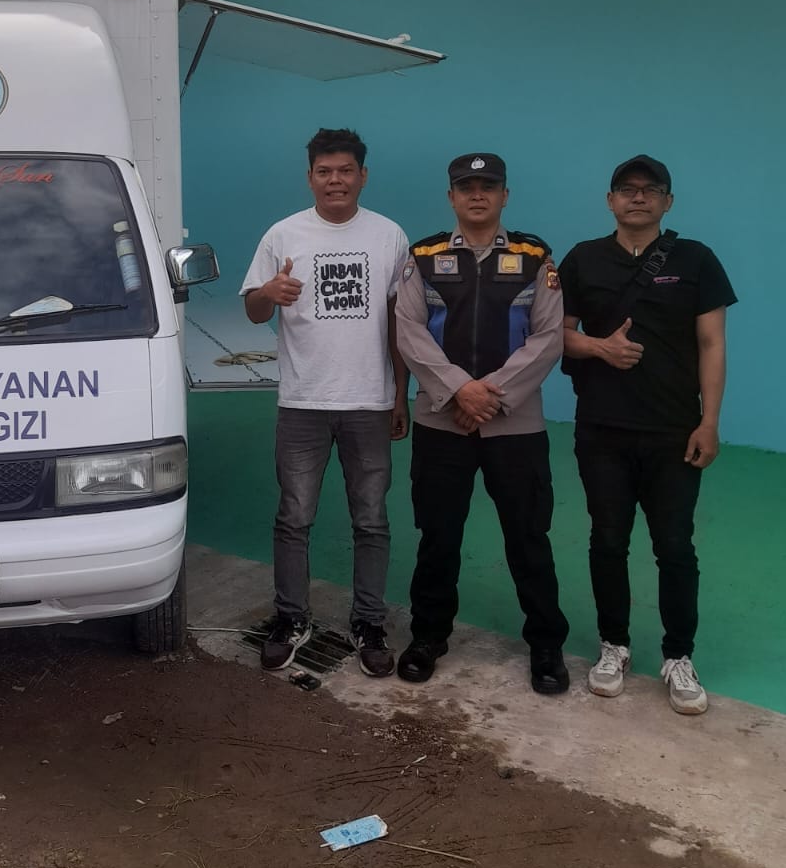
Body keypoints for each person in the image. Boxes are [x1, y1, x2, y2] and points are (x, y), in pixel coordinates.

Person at [558, 155, 736, 715]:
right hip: (602, 429)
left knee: (675, 546)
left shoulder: (696, 260)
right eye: (627, 189)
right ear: (610, 200)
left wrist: (709, 421)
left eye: (650, 189)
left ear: (668, 202)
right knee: (608, 540)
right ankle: (613, 646)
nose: (638, 197)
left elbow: (712, 343)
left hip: (673, 430)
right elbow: (556, 334)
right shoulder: (583, 259)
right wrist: (600, 348)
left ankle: (679, 656)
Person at [394, 153, 569, 694]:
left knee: (528, 536)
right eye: (466, 186)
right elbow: (407, 330)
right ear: (451, 196)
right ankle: (428, 636)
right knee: (438, 536)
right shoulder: (423, 257)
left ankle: (546, 645)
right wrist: (458, 390)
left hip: (514, 425)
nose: (477, 194)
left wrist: (489, 396)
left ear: (504, 196)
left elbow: (548, 337)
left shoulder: (534, 257)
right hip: (442, 421)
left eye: (488, 186)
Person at [241, 128, 410, 678]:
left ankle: (369, 623)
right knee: (293, 517)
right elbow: (253, 312)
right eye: (324, 172)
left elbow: (401, 325)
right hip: (302, 403)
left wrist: (400, 394)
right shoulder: (282, 234)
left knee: (372, 521)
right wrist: (269, 294)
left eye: (345, 171)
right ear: (310, 177)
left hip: (370, 402)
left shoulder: (389, 236)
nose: (335, 181)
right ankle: (291, 618)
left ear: (363, 175)